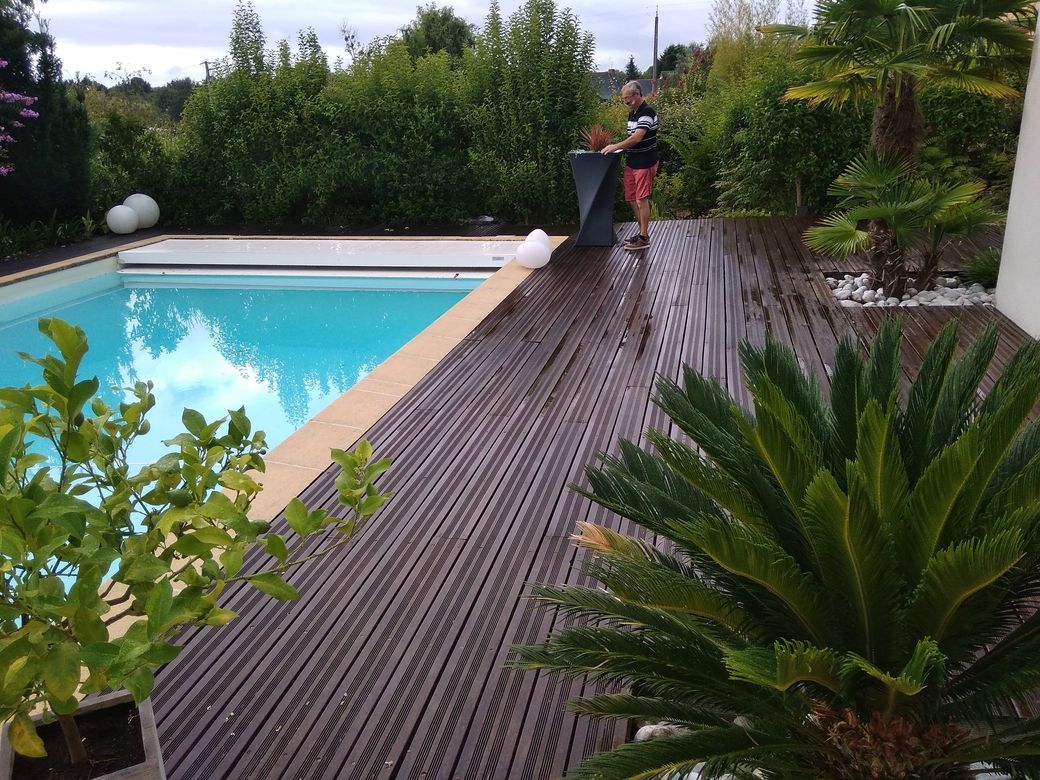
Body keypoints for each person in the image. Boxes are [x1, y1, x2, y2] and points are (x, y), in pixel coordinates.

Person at [601, 81, 659, 251]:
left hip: (645, 162)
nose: (626, 102)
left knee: (641, 200)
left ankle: (643, 237)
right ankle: (642, 235)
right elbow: (631, 138)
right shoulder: (632, 114)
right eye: (624, 99)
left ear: (637, 94)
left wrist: (615, 146)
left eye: (628, 98)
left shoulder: (647, 112)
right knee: (632, 199)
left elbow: (636, 138)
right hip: (632, 162)